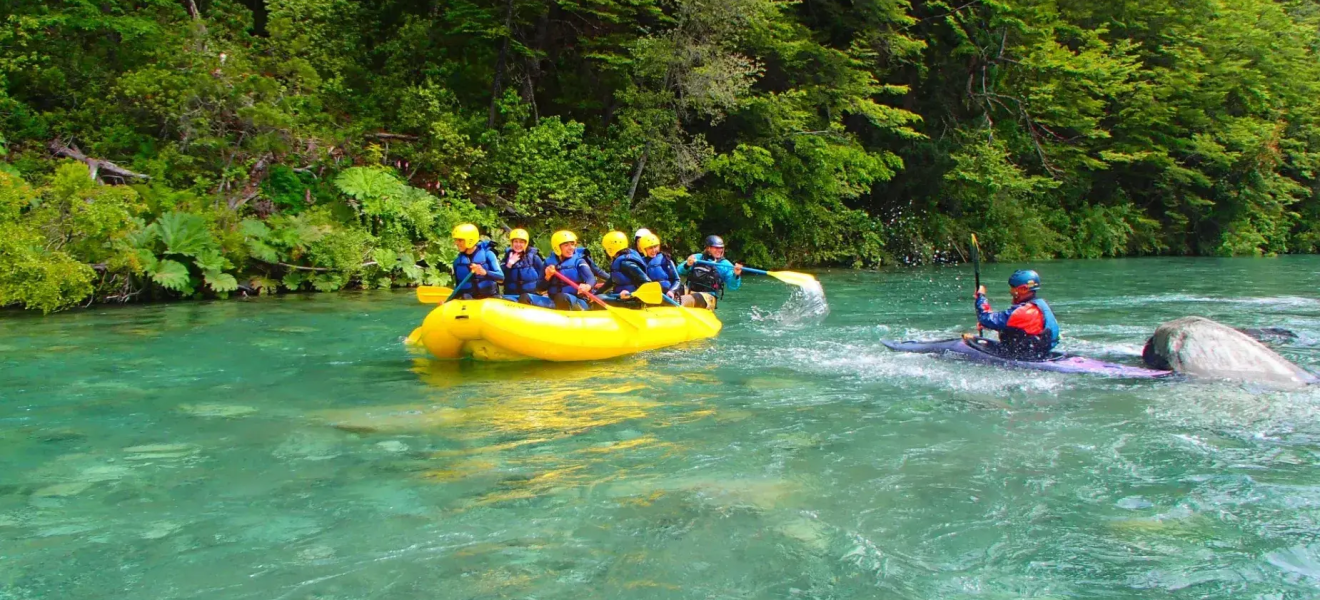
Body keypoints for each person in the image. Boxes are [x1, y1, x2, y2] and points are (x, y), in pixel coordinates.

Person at [974, 269, 1060, 360]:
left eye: (1013, 287)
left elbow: (984, 318)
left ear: (1023, 289)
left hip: (1025, 355)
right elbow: (1021, 327)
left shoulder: (1023, 311)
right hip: (1041, 351)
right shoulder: (1041, 304)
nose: (1011, 291)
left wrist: (981, 296)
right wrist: (990, 326)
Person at [677, 235, 743, 309]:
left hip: (708, 297)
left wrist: (736, 275)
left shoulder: (725, 265)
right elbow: (680, 271)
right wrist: (687, 265)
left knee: (688, 298)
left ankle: (679, 301)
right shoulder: (697, 258)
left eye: (721, 248)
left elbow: (732, 286)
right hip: (690, 291)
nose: (719, 250)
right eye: (716, 247)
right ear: (708, 248)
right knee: (674, 288)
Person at [540, 230, 596, 311]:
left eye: (572, 244)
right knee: (526, 297)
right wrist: (547, 277)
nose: (571, 248)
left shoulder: (579, 261)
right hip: (553, 301)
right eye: (566, 245)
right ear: (557, 247)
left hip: (576, 301)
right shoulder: (548, 262)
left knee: (562, 297)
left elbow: (591, 278)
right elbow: (540, 287)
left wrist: (587, 286)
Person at [450, 223, 504, 299]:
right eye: (456, 240)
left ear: (470, 240)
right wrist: (448, 302)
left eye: (460, 240)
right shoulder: (457, 262)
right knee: (465, 297)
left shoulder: (488, 254)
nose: (456, 243)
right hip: (470, 301)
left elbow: (501, 278)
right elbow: (458, 288)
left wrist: (484, 272)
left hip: (490, 298)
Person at [501, 228, 551, 307]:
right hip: (511, 297)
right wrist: (509, 264)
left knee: (526, 299)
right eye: (516, 241)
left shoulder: (534, 258)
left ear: (526, 243)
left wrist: (545, 292)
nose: (518, 245)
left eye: (521, 242)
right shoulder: (507, 257)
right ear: (512, 243)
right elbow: (500, 280)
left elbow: (543, 277)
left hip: (531, 297)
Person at [600, 230, 651, 307]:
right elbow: (611, 281)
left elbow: (647, 282)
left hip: (631, 301)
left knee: (600, 299)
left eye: (606, 249)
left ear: (611, 249)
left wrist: (631, 294)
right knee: (598, 297)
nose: (605, 251)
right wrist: (596, 293)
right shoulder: (618, 261)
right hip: (621, 298)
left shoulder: (626, 263)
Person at [638, 233, 681, 300]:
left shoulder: (665, 259)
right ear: (644, 249)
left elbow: (677, 280)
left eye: (655, 247)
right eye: (650, 248)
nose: (653, 250)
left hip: (667, 295)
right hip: (651, 295)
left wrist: (672, 291)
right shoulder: (640, 261)